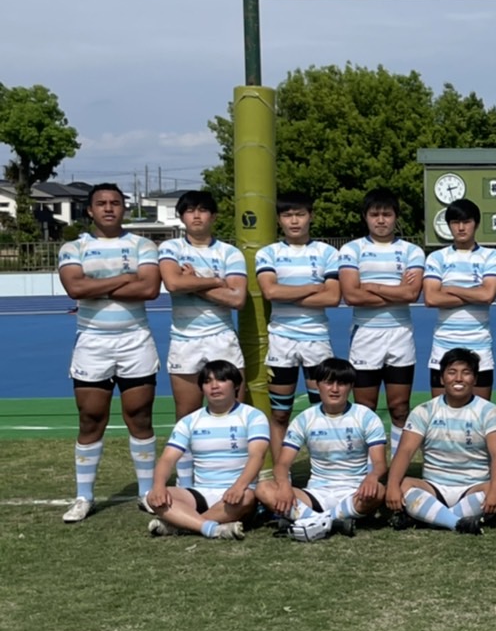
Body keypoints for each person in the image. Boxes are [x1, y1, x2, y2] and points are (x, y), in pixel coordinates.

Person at [57, 182, 162, 523]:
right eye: (101, 203)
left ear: (124, 208)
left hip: (135, 340)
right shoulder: (74, 246)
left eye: (115, 203)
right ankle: (84, 497)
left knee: (140, 417)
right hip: (93, 342)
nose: (108, 208)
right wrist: (124, 278)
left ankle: (146, 493)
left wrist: (96, 286)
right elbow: (75, 287)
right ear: (90, 210)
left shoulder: (143, 244)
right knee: (90, 418)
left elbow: (150, 288)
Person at [157, 190, 247, 489]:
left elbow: (237, 299)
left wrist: (193, 282)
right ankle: (187, 485)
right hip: (185, 340)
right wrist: (215, 281)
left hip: (222, 339)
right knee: (187, 416)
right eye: (190, 210)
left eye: (203, 210)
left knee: (234, 414)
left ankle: (235, 481)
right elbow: (173, 283)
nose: (196, 216)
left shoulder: (230, 253)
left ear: (214, 216)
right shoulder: (171, 247)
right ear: (181, 217)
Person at [255, 190, 342, 462]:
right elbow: (270, 292)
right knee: (280, 413)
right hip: (281, 341)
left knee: (324, 409)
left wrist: (288, 292)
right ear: (279, 219)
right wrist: (313, 287)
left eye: (300, 215)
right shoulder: (268, 253)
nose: (294, 221)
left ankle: (323, 469)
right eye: (287, 215)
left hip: (317, 340)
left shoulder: (327, 253)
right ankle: (283, 473)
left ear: (310, 216)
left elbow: (332, 297)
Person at [338, 188, 425, 458]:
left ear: (395, 217)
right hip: (365, 336)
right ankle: (370, 469)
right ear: (365, 217)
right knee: (365, 408)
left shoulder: (411, 251)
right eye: (374, 214)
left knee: (400, 407)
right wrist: (396, 291)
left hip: (400, 336)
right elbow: (352, 295)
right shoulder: (352, 249)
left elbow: (412, 294)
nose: (381, 220)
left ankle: (397, 469)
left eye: (387, 214)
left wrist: (371, 286)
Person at [385, 349, 496, 534]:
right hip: (433, 488)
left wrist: (495, 492)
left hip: (474, 487)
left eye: (466, 373)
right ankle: (457, 522)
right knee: (401, 485)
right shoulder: (424, 411)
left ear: (475, 379)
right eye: (452, 372)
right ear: (442, 379)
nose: (458, 378)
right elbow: (405, 452)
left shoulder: (490, 412)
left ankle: (431, 516)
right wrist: (392, 486)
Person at [144, 361, 268, 540]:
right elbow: (167, 459)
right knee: (152, 497)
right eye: (207, 381)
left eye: (222, 380)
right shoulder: (189, 421)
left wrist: (238, 486)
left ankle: (181, 524)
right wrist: (158, 486)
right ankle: (210, 528)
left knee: (247, 497)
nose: (214, 386)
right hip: (200, 493)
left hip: (238, 492)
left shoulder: (253, 416)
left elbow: (258, 455)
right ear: (201, 388)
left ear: (236, 385)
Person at [271, 357, 387, 537]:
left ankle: (312, 520)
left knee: (378, 491)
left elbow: (380, 464)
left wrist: (372, 477)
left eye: (342, 383)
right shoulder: (304, 419)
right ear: (318, 385)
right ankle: (334, 521)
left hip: (354, 492)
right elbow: (282, 464)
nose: (334, 389)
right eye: (328, 383)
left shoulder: (366, 417)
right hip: (316, 494)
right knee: (264, 489)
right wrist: (284, 484)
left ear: (351, 386)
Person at [422, 197, 496, 400]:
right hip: (443, 345)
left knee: (480, 411)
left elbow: (487, 295)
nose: (460, 227)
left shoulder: (491, 256)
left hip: (479, 346)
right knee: (440, 412)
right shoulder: (436, 257)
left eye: (466, 222)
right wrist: (475, 293)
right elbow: (431, 298)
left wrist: (449, 288)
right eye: (455, 222)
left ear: (476, 224)